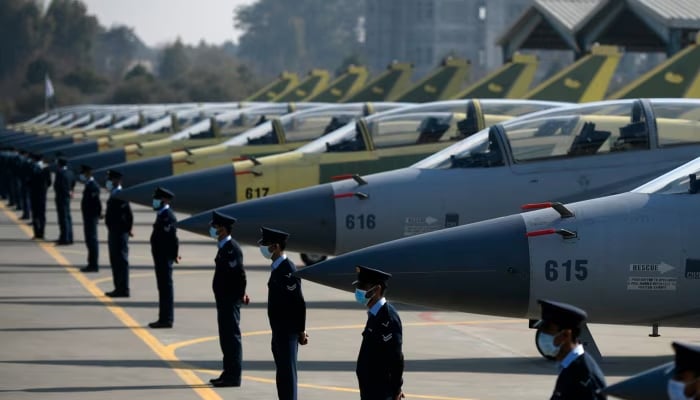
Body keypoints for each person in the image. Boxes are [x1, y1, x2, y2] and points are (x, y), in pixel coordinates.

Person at [259, 227, 307, 400]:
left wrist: (301, 330)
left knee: (288, 375)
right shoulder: (278, 268)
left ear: (276, 246)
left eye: (266, 244)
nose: (263, 248)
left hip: (288, 332)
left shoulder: (287, 270)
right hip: (279, 331)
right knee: (282, 375)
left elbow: (298, 302)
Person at [535, 299, 606, 400]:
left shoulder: (583, 375)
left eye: (548, 331)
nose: (543, 336)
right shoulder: (569, 367)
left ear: (566, 334)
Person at [353, 265, 405, 400]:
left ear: (376, 289)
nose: (359, 290)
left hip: (381, 391)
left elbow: (396, 357)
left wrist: (397, 388)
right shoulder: (375, 314)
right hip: (370, 389)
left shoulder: (387, 318)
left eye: (363, 286)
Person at [209, 211, 249, 387]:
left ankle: (233, 377)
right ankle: (227, 373)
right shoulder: (224, 247)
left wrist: (240, 295)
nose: (213, 229)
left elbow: (240, 275)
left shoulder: (232, 248)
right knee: (225, 338)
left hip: (230, 301)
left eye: (215, 227)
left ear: (223, 229)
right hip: (224, 300)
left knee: (232, 338)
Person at [148, 187, 179, 329]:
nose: (155, 201)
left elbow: (173, 239)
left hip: (164, 258)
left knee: (166, 288)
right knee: (162, 288)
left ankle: (167, 319)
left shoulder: (168, 216)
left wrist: (173, 255)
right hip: (160, 257)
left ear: (165, 200)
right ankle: (163, 317)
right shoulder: (162, 214)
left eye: (158, 198)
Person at [104, 170, 133, 297]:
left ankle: (123, 288)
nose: (110, 182)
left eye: (112, 179)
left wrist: (127, 230)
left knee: (121, 260)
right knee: (115, 260)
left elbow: (128, 215)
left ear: (118, 180)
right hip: (114, 232)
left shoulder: (121, 195)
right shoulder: (114, 194)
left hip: (119, 233)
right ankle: (118, 287)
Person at [79, 164, 102, 272]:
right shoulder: (89, 184)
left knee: (92, 240)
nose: (82, 175)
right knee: (89, 240)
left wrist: (97, 215)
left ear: (88, 173)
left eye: (83, 173)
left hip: (91, 217)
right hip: (88, 217)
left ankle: (94, 264)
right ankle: (91, 263)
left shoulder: (93, 186)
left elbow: (96, 203)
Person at [28, 154, 51, 240]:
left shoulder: (32, 166)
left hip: (34, 192)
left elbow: (28, 180)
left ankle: (36, 233)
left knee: (35, 213)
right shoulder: (46, 168)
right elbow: (49, 182)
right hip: (42, 193)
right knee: (42, 214)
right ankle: (42, 233)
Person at [53, 157, 75, 245]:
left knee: (63, 218)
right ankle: (70, 237)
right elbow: (73, 183)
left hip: (61, 197)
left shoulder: (60, 173)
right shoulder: (70, 172)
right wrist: (71, 191)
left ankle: (64, 238)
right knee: (68, 217)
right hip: (67, 197)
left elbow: (57, 186)